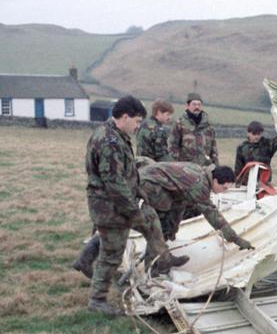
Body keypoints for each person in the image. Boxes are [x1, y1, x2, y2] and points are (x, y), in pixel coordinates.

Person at [84, 95, 189, 315]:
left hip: (125, 201)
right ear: (124, 117)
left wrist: (141, 199)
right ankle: (97, 299)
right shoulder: (108, 141)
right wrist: (133, 211)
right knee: (112, 252)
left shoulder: (118, 135)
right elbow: (114, 182)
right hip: (111, 207)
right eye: (137, 121)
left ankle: (162, 262)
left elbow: (128, 174)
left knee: (152, 222)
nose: (138, 126)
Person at [138, 162, 254, 250]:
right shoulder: (199, 185)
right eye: (223, 188)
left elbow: (180, 204)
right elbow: (214, 216)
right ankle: (157, 259)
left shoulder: (202, 172)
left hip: (151, 177)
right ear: (215, 180)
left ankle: (165, 240)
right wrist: (236, 239)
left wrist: (172, 231)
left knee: (177, 206)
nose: (223, 192)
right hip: (149, 183)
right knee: (163, 216)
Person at [170, 93, 218, 166]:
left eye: (199, 104)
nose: (197, 107)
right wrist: (176, 165)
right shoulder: (180, 124)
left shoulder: (208, 126)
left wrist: (215, 166)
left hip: (205, 167)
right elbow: (173, 147)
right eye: (194, 104)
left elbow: (213, 148)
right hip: (186, 168)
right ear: (187, 105)